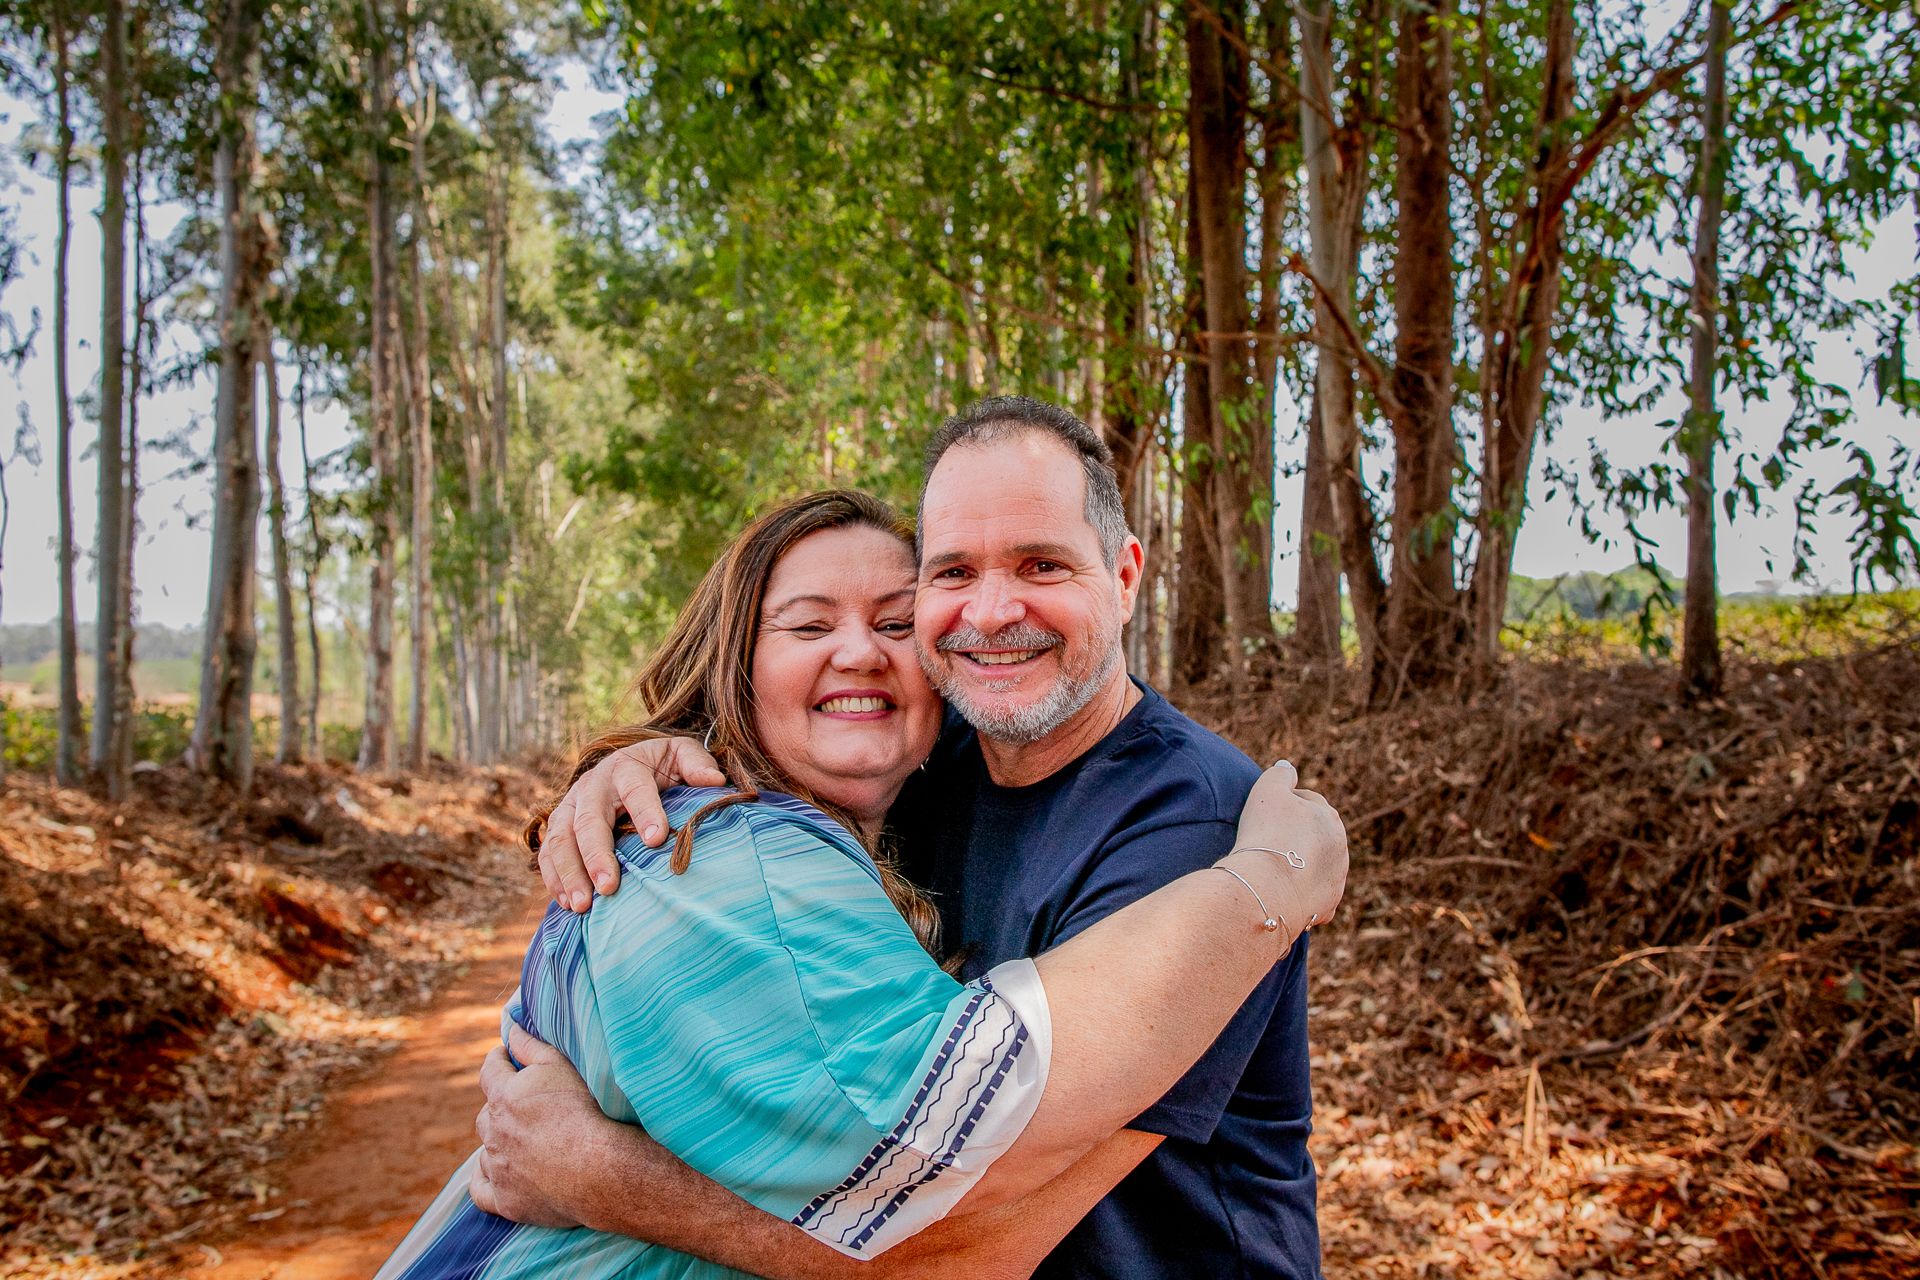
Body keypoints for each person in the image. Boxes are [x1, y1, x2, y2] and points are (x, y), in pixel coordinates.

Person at [383, 488, 1347, 1279]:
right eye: (809, 625)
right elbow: (934, 1194)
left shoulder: (1113, 807)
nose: (862, 653)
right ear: (735, 663)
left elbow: (957, 1239)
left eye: (894, 623)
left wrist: (596, 1173)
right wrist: (1276, 880)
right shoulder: (726, 863)